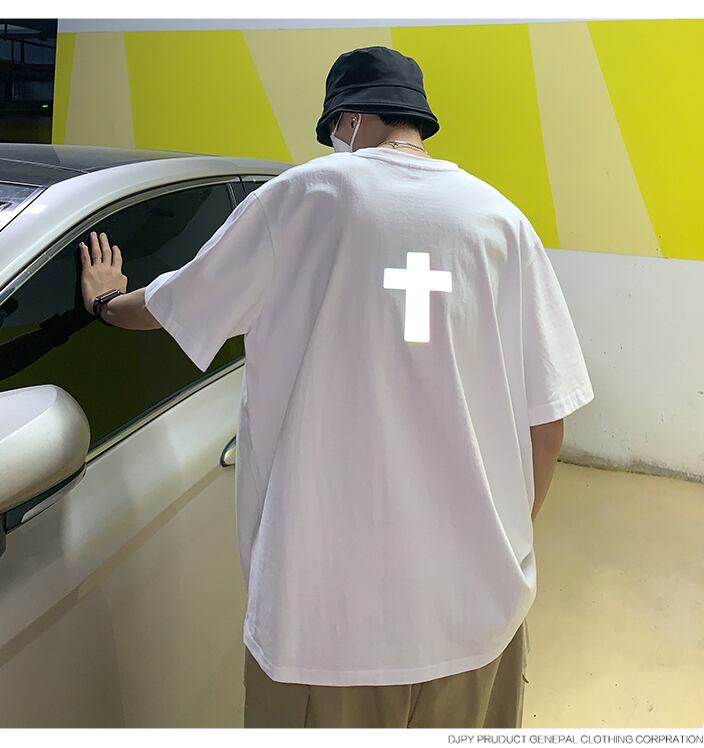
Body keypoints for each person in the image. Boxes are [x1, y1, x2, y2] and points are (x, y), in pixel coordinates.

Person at [78, 45, 594, 729]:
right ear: (416, 119)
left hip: (326, 634)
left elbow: (178, 303)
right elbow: (548, 424)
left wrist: (105, 303)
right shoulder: (502, 222)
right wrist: (493, 546)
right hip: (479, 620)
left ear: (348, 119)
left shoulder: (302, 198)